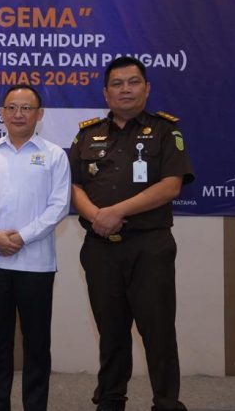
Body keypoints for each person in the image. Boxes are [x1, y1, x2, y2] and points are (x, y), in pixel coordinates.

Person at [69, 56, 194, 411]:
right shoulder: (87, 134)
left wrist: (117, 212)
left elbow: (170, 186)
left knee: (158, 331)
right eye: (117, 83)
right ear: (106, 93)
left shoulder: (166, 131)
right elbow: (73, 185)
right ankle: (110, 400)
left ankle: (166, 402)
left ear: (147, 88)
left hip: (149, 247)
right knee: (110, 331)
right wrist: (96, 216)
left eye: (133, 82)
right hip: (99, 248)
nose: (126, 89)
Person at [0, 85, 70, 411]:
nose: (18, 114)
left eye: (26, 108)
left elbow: (59, 206)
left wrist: (22, 237)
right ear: (2, 113)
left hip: (37, 264)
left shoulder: (55, 155)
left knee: (37, 344)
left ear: (39, 114)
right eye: (12, 107)